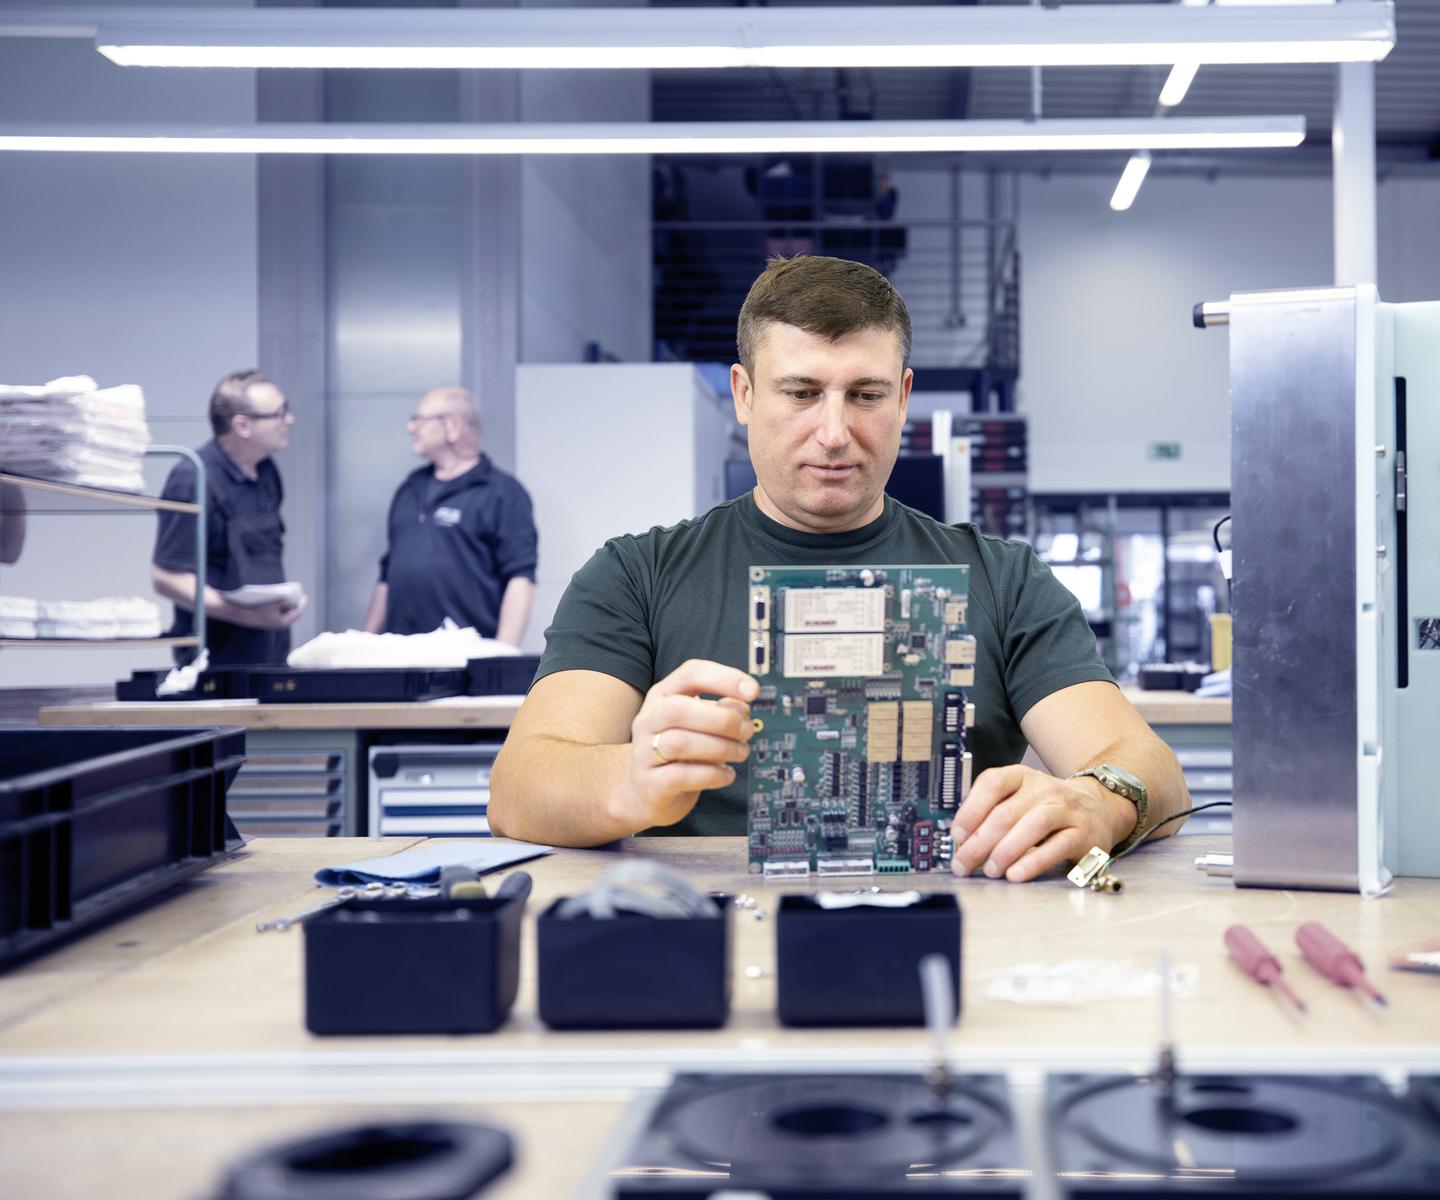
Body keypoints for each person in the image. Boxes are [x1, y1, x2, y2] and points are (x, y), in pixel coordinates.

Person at [489, 256, 1190, 883]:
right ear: (743, 394)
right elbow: (519, 787)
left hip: (958, 939)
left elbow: (1153, 769)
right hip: (709, 943)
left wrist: (1096, 800)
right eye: (800, 393)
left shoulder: (1001, 578)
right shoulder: (636, 576)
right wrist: (629, 781)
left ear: (905, 397)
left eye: (866, 395)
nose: (834, 432)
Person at [362, 387, 537, 647]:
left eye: (419, 420)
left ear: (453, 426)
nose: (411, 427)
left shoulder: (502, 493)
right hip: (398, 655)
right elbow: (387, 576)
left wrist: (503, 655)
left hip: (466, 658)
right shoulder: (409, 489)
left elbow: (520, 578)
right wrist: (366, 643)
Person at [151, 369, 305, 665]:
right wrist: (246, 615)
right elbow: (165, 578)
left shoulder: (267, 471)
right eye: (279, 413)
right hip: (216, 659)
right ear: (243, 426)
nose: (289, 420)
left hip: (269, 649)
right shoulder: (192, 479)